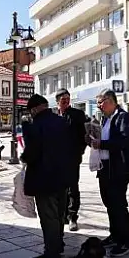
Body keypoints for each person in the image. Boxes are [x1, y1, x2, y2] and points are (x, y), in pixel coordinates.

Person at [21, 94, 73, 258]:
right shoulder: (62, 121)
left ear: (35, 109)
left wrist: (24, 157)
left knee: (48, 216)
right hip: (63, 177)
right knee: (59, 213)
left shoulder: (36, 125)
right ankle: (58, 243)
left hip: (44, 178)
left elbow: (32, 153)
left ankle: (52, 251)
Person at [89, 89, 129, 257]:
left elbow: (125, 140)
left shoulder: (123, 117)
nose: (99, 106)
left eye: (101, 102)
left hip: (118, 168)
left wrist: (102, 144)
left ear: (110, 101)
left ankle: (125, 242)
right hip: (105, 168)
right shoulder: (106, 119)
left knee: (118, 204)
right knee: (109, 203)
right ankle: (115, 235)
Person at [55, 88, 88, 232]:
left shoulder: (77, 115)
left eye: (68, 99)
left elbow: (83, 136)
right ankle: (62, 215)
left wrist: (79, 152)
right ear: (57, 102)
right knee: (60, 188)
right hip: (58, 160)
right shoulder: (53, 116)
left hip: (72, 158)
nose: (66, 102)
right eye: (63, 100)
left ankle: (72, 216)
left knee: (73, 188)